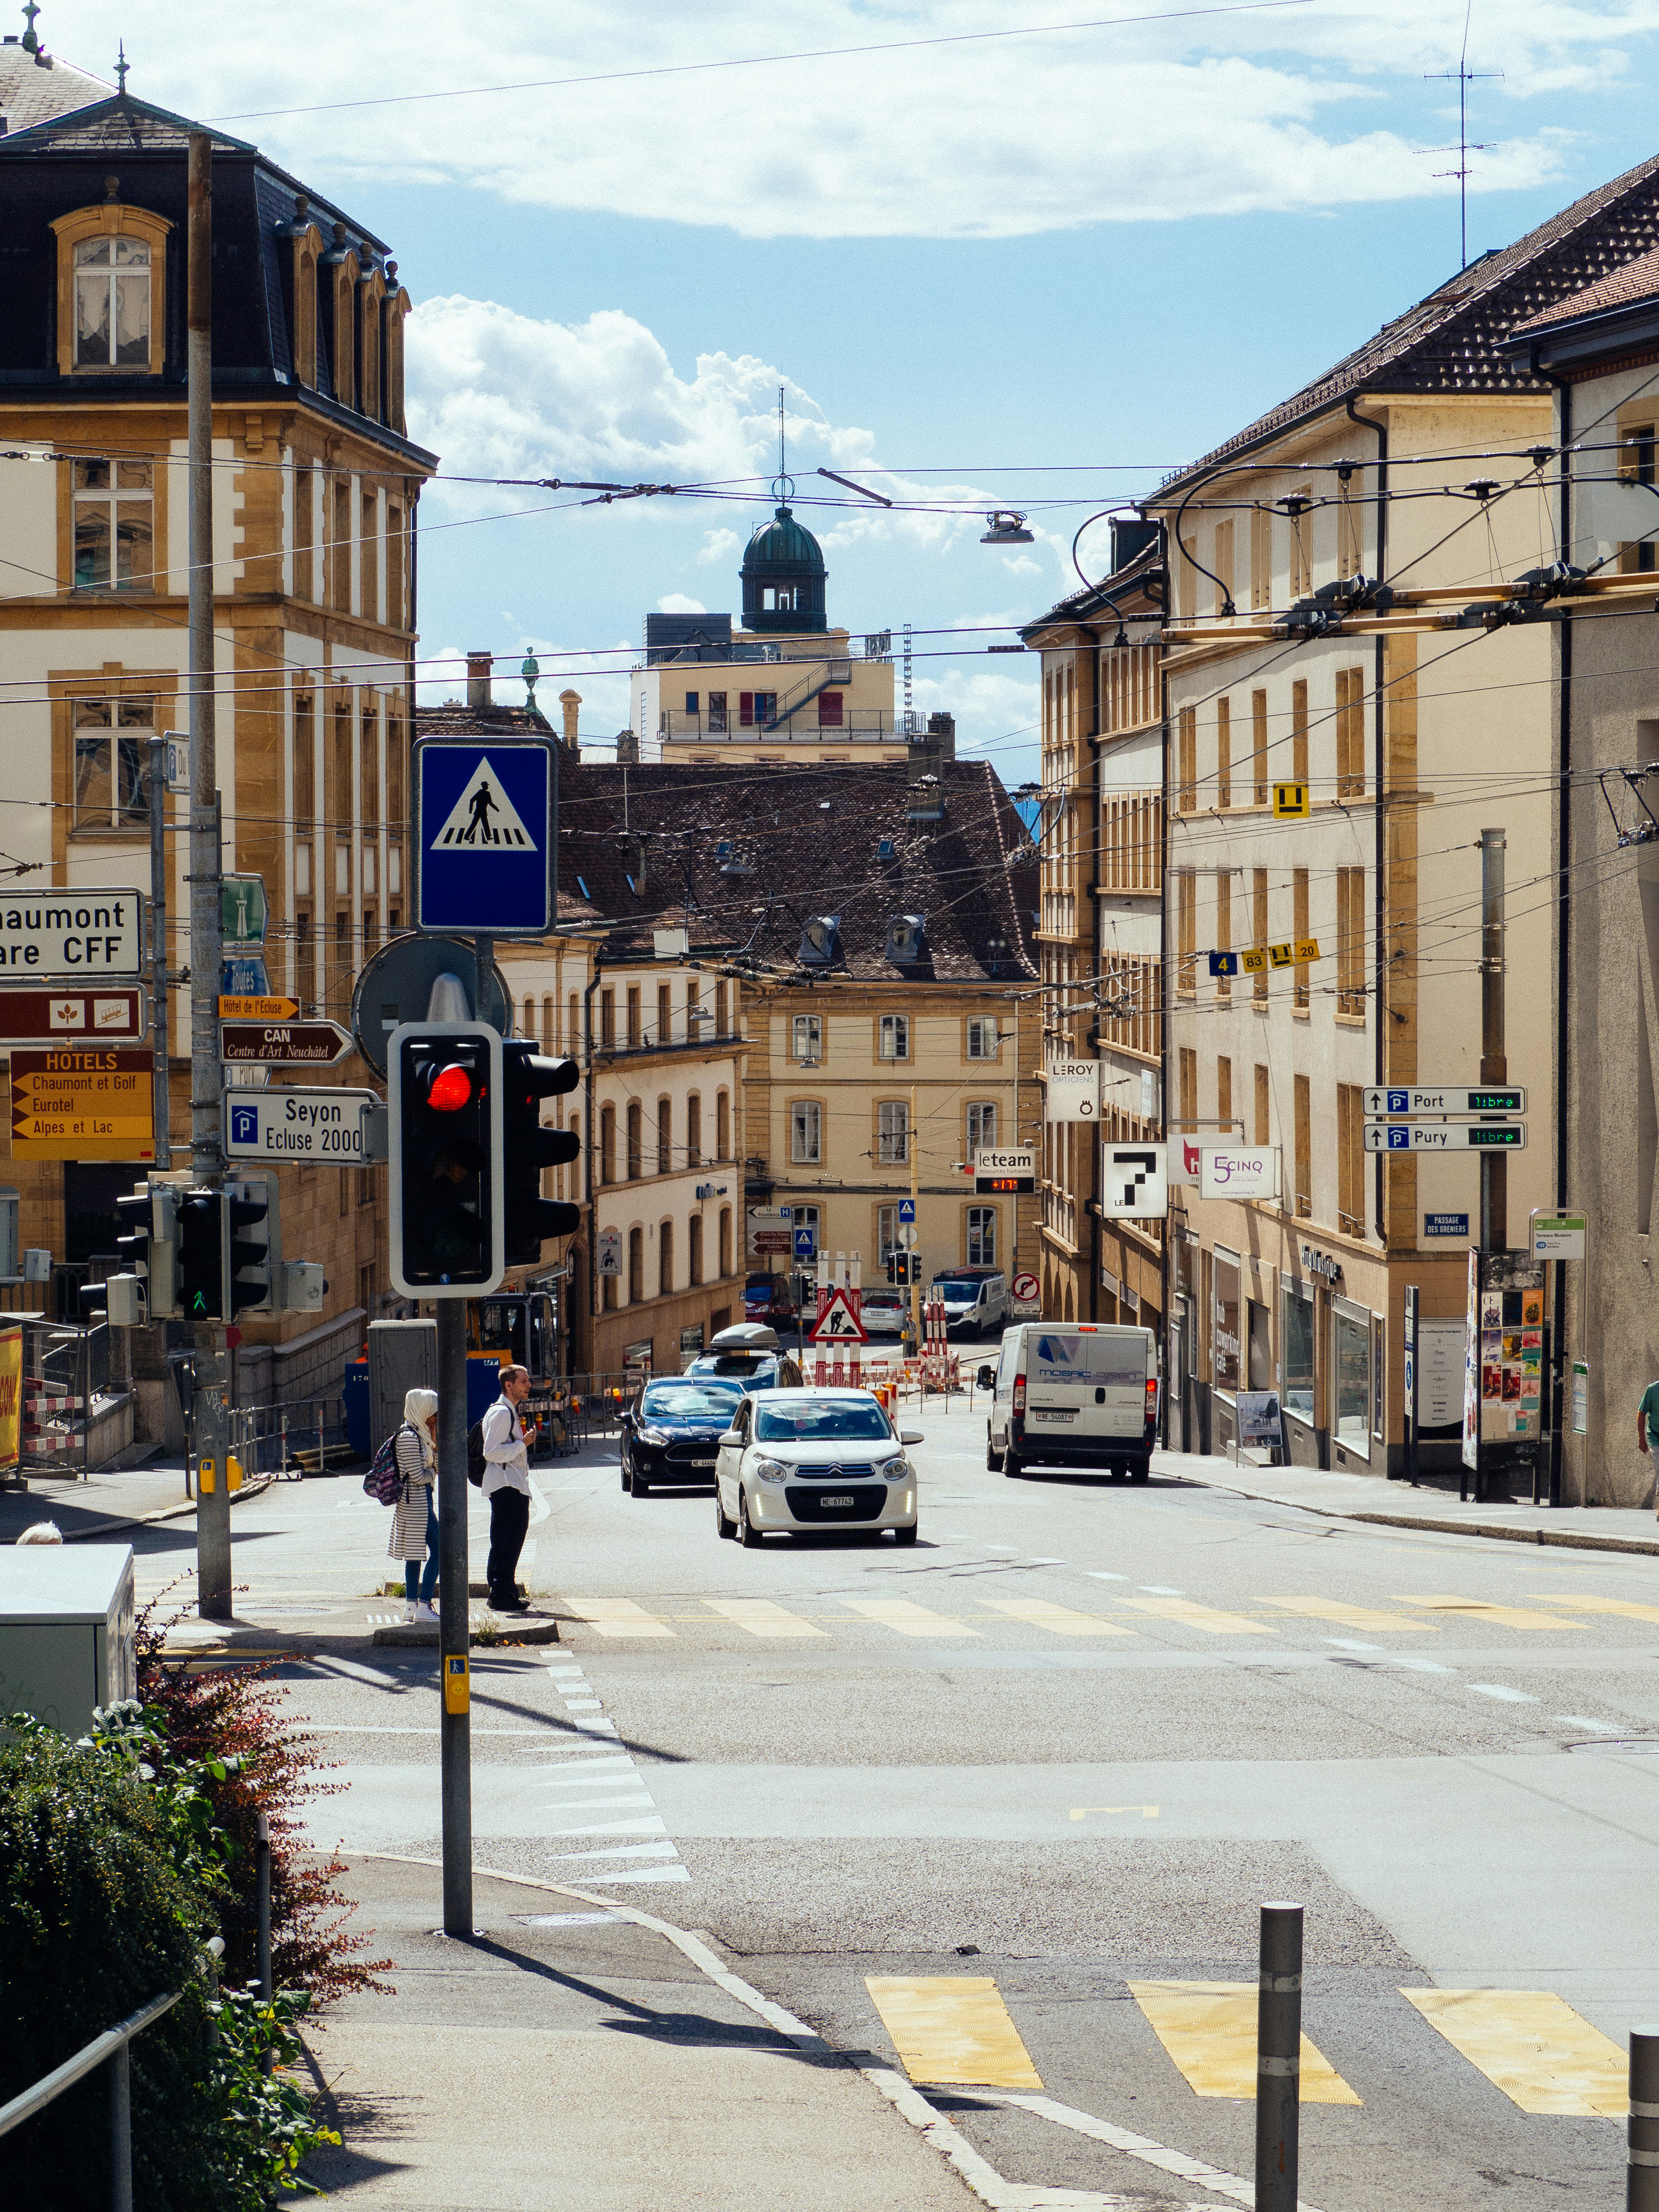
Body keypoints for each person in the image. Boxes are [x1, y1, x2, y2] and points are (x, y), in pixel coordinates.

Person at [481, 1363, 533, 1612]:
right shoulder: (502, 1413)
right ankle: (501, 1594)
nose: (528, 1385)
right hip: (507, 1486)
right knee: (508, 1541)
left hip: (510, 1485)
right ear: (509, 1385)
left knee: (506, 1540)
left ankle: (503, 1591)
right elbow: (491, 1452)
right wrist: (523, 1444)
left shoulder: (506, 1411)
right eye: (523, 1381)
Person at [391, 1387, 439, 1623]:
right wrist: (433, 1472)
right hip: (415, 1502)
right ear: (421, 1410)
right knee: (440, 1550)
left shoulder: (421, 1434)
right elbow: (419, 1476)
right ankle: (424, 1605)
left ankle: (411, 1606)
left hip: (420, 1500)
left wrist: (433, 1440)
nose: (435, 1417)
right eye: (432, 1412)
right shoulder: (408, 1437)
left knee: (415, 1554)